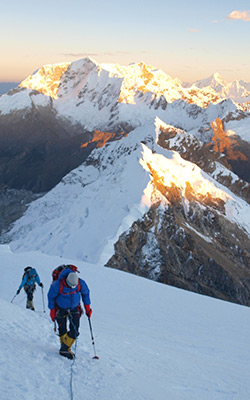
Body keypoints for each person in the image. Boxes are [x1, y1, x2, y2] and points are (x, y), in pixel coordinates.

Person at [47, 267, 92, 360]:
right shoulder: (57, 285)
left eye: (73, 286)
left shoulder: (80, 283)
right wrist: (52, 311)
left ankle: (64, 348)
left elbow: (85, 294)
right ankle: (65, 348)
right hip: (61, 309)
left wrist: (88, 308)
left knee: (74, 331)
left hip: (74, 308)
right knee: (62, 329)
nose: (72, 287)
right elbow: (51, 297)